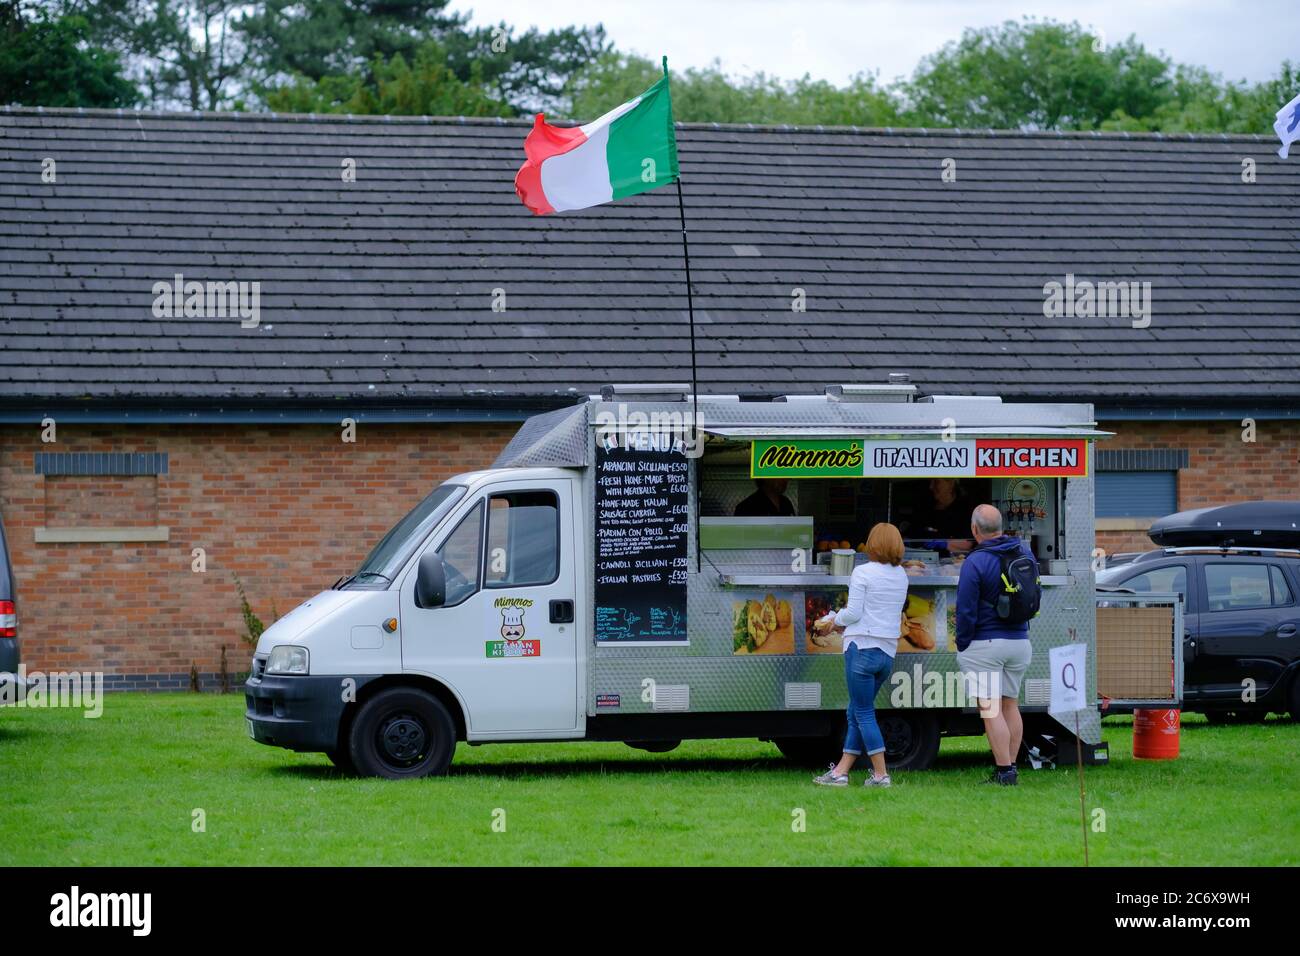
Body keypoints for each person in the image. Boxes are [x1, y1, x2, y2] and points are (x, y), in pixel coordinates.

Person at [811, 522, 909, 788]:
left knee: (863, 713)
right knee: (855, 711)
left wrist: (833, 620)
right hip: (886, 653)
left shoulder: (862, 572)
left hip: (862, 649)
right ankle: (841, 771)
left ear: (873, 544)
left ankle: (880, 775)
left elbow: (853, 614)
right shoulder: (901, 575)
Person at [955, 504, 1035, 786]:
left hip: (985, 646)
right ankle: (1011, 767)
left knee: (990, 709)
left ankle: (1004, 772)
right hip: (1020, 642)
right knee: (1010, 705)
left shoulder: (975, 561)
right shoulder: (1024, 552)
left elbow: (965, 610)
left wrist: (962, 643)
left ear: (975, 530)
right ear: (1001, 527)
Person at [911, 478, 977, 553]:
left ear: (951, 484)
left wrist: (945, 544)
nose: (931, 486)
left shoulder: (966, 509)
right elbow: (914, 535)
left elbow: (969, 543)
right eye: (930, 482)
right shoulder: (925, 507)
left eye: (936, 482)